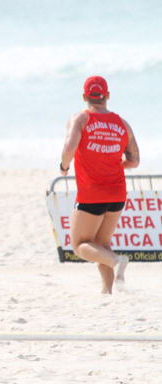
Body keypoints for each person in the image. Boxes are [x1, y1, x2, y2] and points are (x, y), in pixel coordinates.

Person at [60, 75, 140, 294]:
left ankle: (117, 261)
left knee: (79, 245)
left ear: (85, 96)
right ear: (107, 96)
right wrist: (111, 163)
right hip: (117, 193)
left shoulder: (80, 119)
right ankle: (108, 291)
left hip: (92, 193)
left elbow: (69, 148)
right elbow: (134, 160)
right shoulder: (122, 124)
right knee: (101, 245)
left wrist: (64, 167)